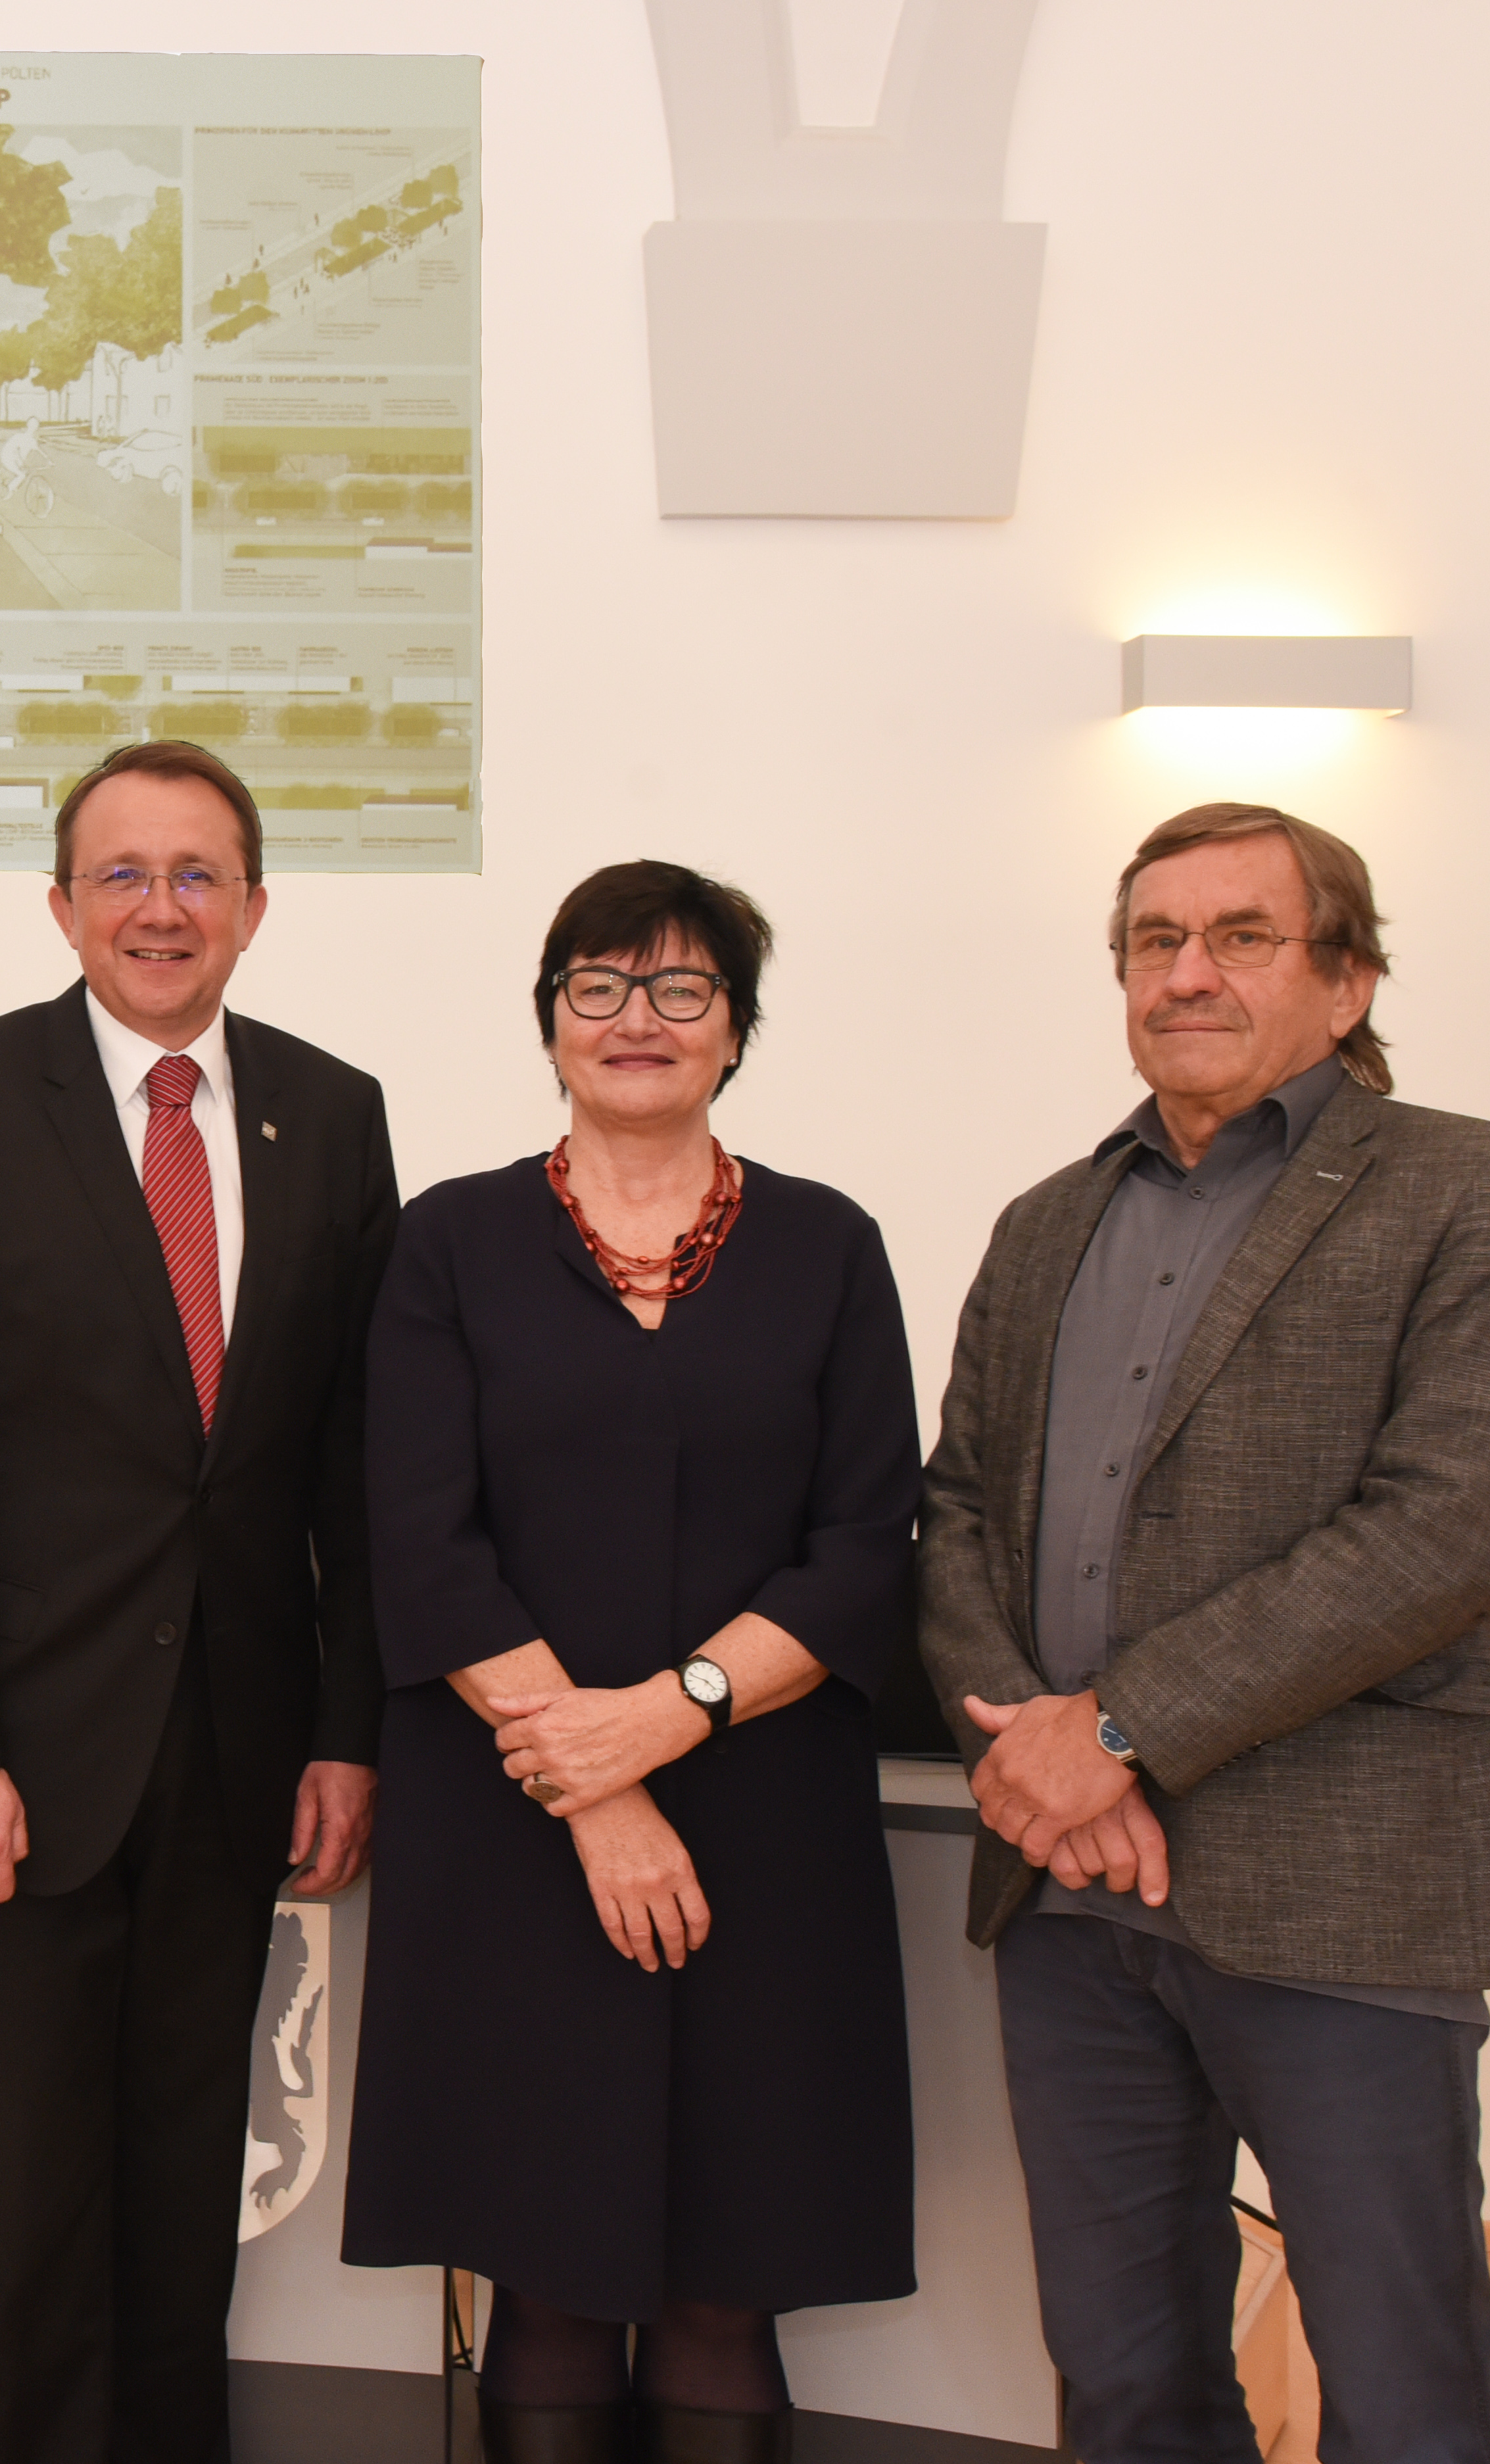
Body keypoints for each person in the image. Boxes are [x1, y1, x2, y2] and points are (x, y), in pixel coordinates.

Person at [919, 802, 1490, 2464]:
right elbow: (956, 1522)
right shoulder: (1044, 1223)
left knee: (1406, 2399)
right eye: (1155, 940)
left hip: (1341, 1887)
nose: (1188, 973)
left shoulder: (1485, 1191)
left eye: (1242, 935)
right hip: (1074, 1894)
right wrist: (1040, 1761)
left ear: (1348, 979)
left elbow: (1438, 1536)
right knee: (1129, 2379)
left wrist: (1117, 1728)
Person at [0, 738, 396, 2463]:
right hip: (15, 1767)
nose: (161, 908)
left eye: (196, 874)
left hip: (239, 1758)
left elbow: (355, 1466)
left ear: (251, 903)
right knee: (19, 2223)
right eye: (124, 874)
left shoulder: (336, 1110)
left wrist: (346, 1728)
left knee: (181, 2210)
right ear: (64, 902)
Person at [341, 861, 919, 2463]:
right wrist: (594, 1790)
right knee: (548, 2272)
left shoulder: (828, 1244)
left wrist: (669, 1719)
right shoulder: (451, 1241)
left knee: (735, 2277)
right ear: (548, 1022)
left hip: (767, 1819)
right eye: (597, 984)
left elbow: (866, 1538)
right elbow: (424, 1535)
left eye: (681, 988)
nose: (636, 1019)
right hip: (514, 1817)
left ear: (736, 1029)